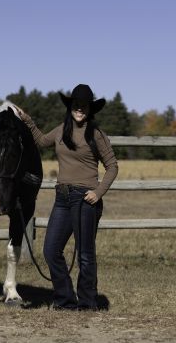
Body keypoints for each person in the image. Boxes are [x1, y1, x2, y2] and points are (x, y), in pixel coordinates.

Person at [15, 84, 118, 310]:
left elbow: (112, 167)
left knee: (85, 254)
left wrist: (98, 192)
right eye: (76, 104)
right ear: (70, 106)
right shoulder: (62, 130)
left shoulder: (96, 134)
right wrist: (28, 121)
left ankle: (88, 303)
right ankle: (65, 300)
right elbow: (41, 141)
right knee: (51, 250)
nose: (80, 109)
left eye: (84, 105)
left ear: (90, 109)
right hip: (62, 198)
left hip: (85, 199)